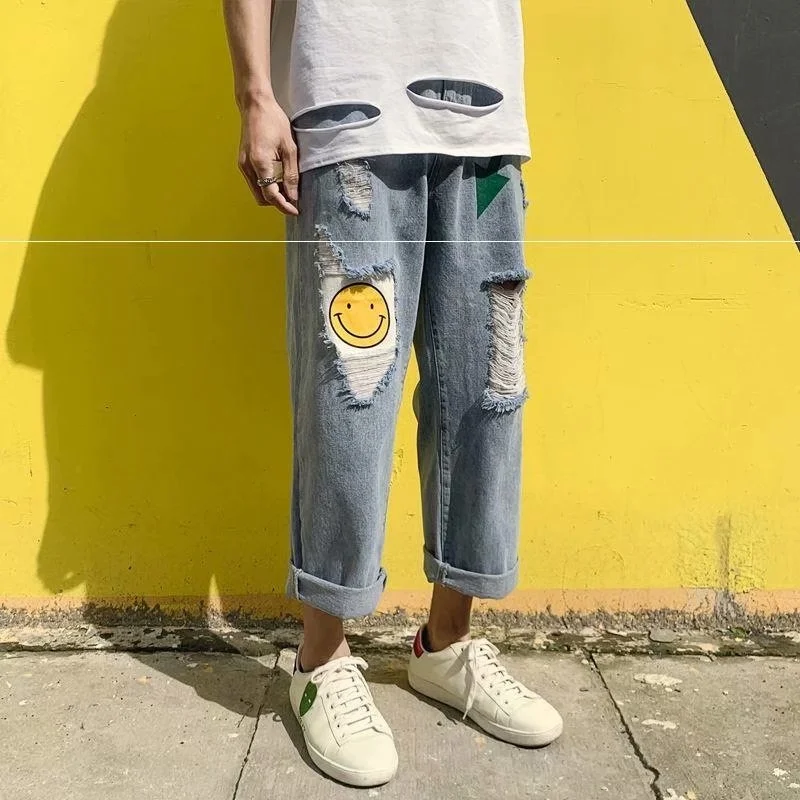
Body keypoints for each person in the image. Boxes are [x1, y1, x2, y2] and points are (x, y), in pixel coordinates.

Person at [223, 0, 563, 786]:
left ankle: (446, 644)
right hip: (351, 115)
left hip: (484, 127)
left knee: (488, 387)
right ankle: (321, 659)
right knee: (351, 397)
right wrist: (255, 94)